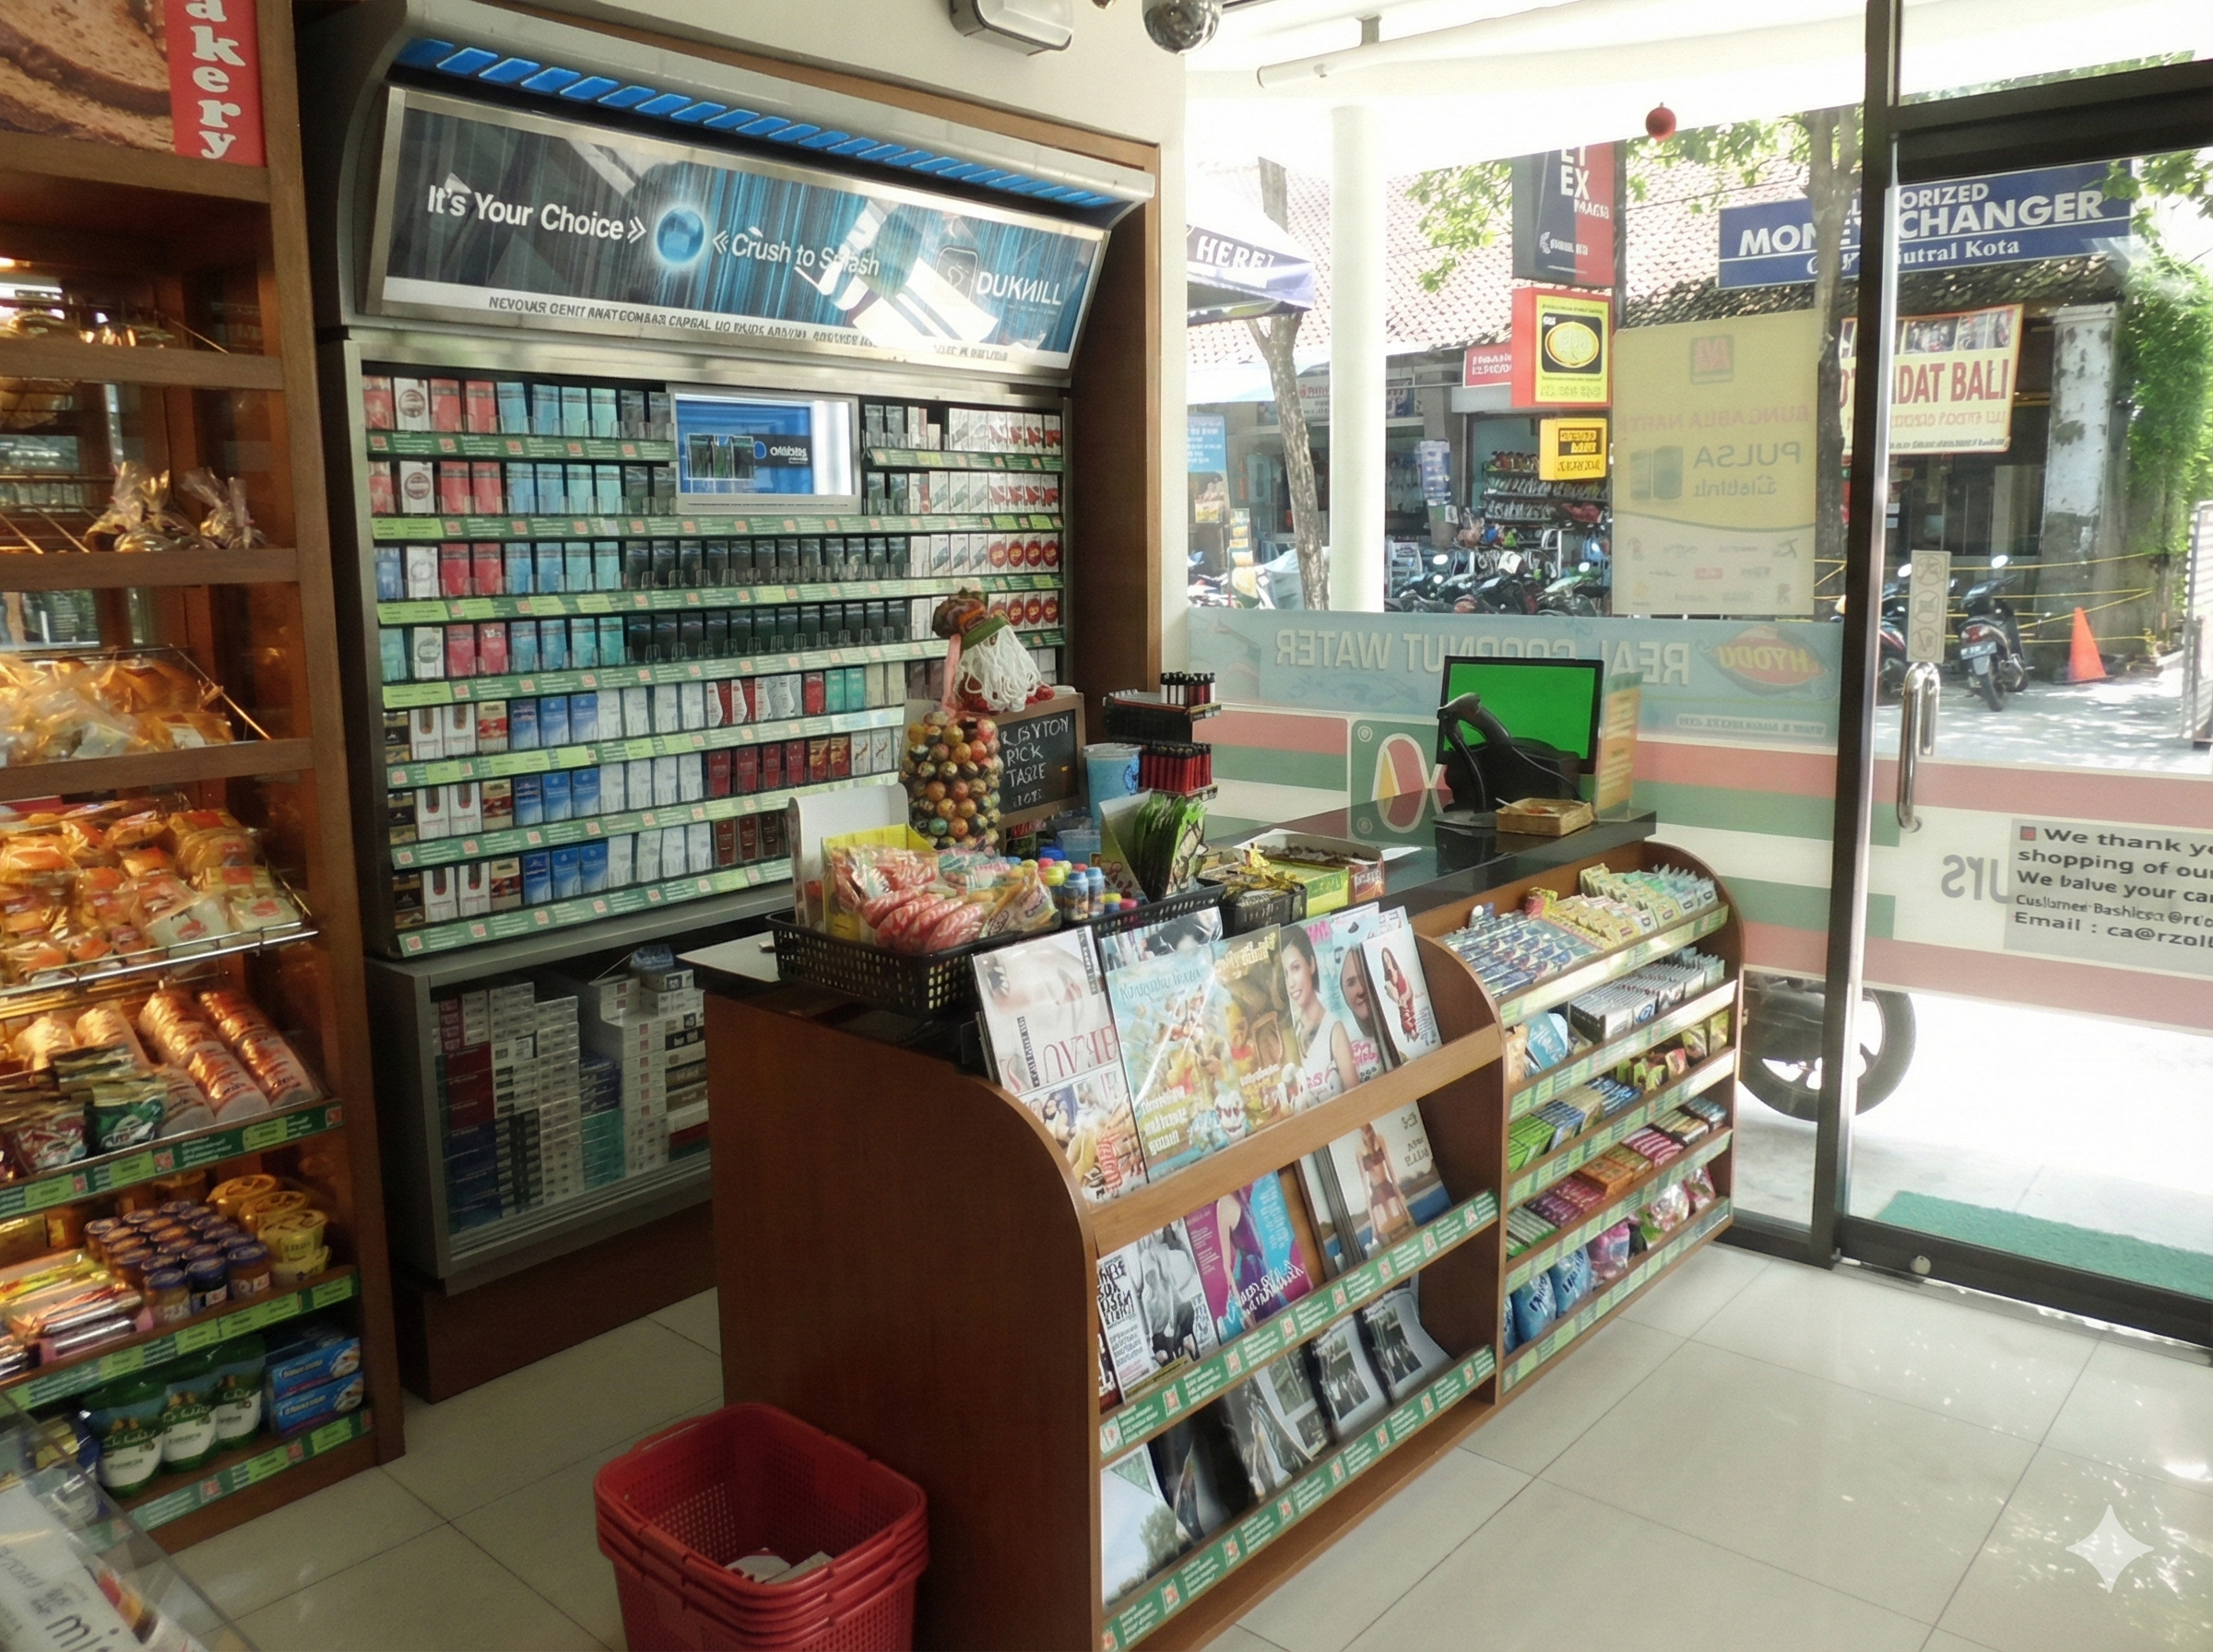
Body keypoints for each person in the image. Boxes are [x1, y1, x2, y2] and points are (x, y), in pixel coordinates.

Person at [1280, 925, 1358, 1104]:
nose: (1290, 982)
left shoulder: (1334, 1030)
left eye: (1296, 968)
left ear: (1312, 964)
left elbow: (1357, 1102)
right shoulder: (1292, 1033)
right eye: (1285, 974)